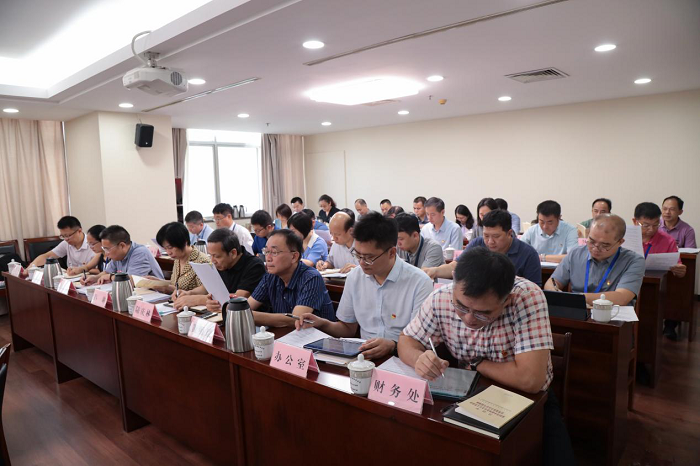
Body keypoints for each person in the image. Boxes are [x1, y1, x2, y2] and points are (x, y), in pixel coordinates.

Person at [399, 248, 574, 466]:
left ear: (507, 300)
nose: (469, 319)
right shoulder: (441, 298)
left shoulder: (527, 297)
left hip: (528, 401)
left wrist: (477, 364)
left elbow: (530, 380)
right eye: (461, 306)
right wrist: (418, 358)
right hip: (465, 394)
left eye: (483, 313)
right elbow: (406, 341)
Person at [298, 212, 433, 359]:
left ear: (391, 252)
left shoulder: (419, 282)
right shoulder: (355, 277)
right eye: (358, 255)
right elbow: (348, 328)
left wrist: (392, 345)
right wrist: (322, 324)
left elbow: (420, 342)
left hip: (403, 359)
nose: (362, 263)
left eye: (369, 258)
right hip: (362, 357)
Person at [544, 214, 644, 306]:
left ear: (620, 242)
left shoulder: (633, 261)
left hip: (612, 315)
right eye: (591, 241)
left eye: (604, 245)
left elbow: (621, 297)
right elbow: (552, 282)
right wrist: (554, 291)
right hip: (577, 312)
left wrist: (575, 298)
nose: (595, 248)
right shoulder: (575, 254)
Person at [423, 210, 542, 286]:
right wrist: (434, 271)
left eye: (496, 236)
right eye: (486, 235)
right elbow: (455, 266)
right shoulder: (478, 244)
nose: (490, 242)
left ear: (509, 233)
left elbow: (533, 289)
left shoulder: (528, 254)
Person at [245, 230, 335, 327]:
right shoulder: (270, 277)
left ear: (294, 257)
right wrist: (242, 312)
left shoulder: (311, 278)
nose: (268, 258)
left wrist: (246, 315)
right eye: (266, 252)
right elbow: (248, 306)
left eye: (274, 252)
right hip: (286, 334)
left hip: (317, 335)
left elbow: (295, 320)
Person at [633, 202, 687, 341]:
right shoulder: (625, 237)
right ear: (635, 221)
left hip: (653, 290)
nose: (651, 229)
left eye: (656, 224)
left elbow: (678, 267)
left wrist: (680, 270)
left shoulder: (667, 240)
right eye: (645, 225)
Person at [177, 229, 266, 310]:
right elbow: (208, 287)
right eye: (210, 255)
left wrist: (197, 300)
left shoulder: (254, 266)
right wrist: (189, 293)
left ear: (233, 253)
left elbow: (238, 299)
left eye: (216, 256)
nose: (212, 261)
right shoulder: (222, 264)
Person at [82, 225, 164, 285]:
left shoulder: (140, 253)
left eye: (107, 249)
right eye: (104, 249)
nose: (106, 253)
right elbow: (107, 272)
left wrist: (110, 277)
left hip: (156, 296)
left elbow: (130, 281)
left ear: (122, 246)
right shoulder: (118, 255)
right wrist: (95, 278)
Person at [153, 222, 210, 294]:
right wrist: (157, 282)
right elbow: (175, 283)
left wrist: (173, 290)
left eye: (170, 247)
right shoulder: (178, 259)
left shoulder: (202, 261)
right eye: (165, 248)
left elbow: (206, 291)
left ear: (184, 242)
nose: (168, 252)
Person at [28, 216, 95, 269]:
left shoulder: (93, 244)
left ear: (79, 231)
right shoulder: (66, 243)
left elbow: (98, 270)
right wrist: (32, 266)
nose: (66, 239)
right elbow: (48, 256)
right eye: (63, 236)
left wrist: (80, 270)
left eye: (68, 235)